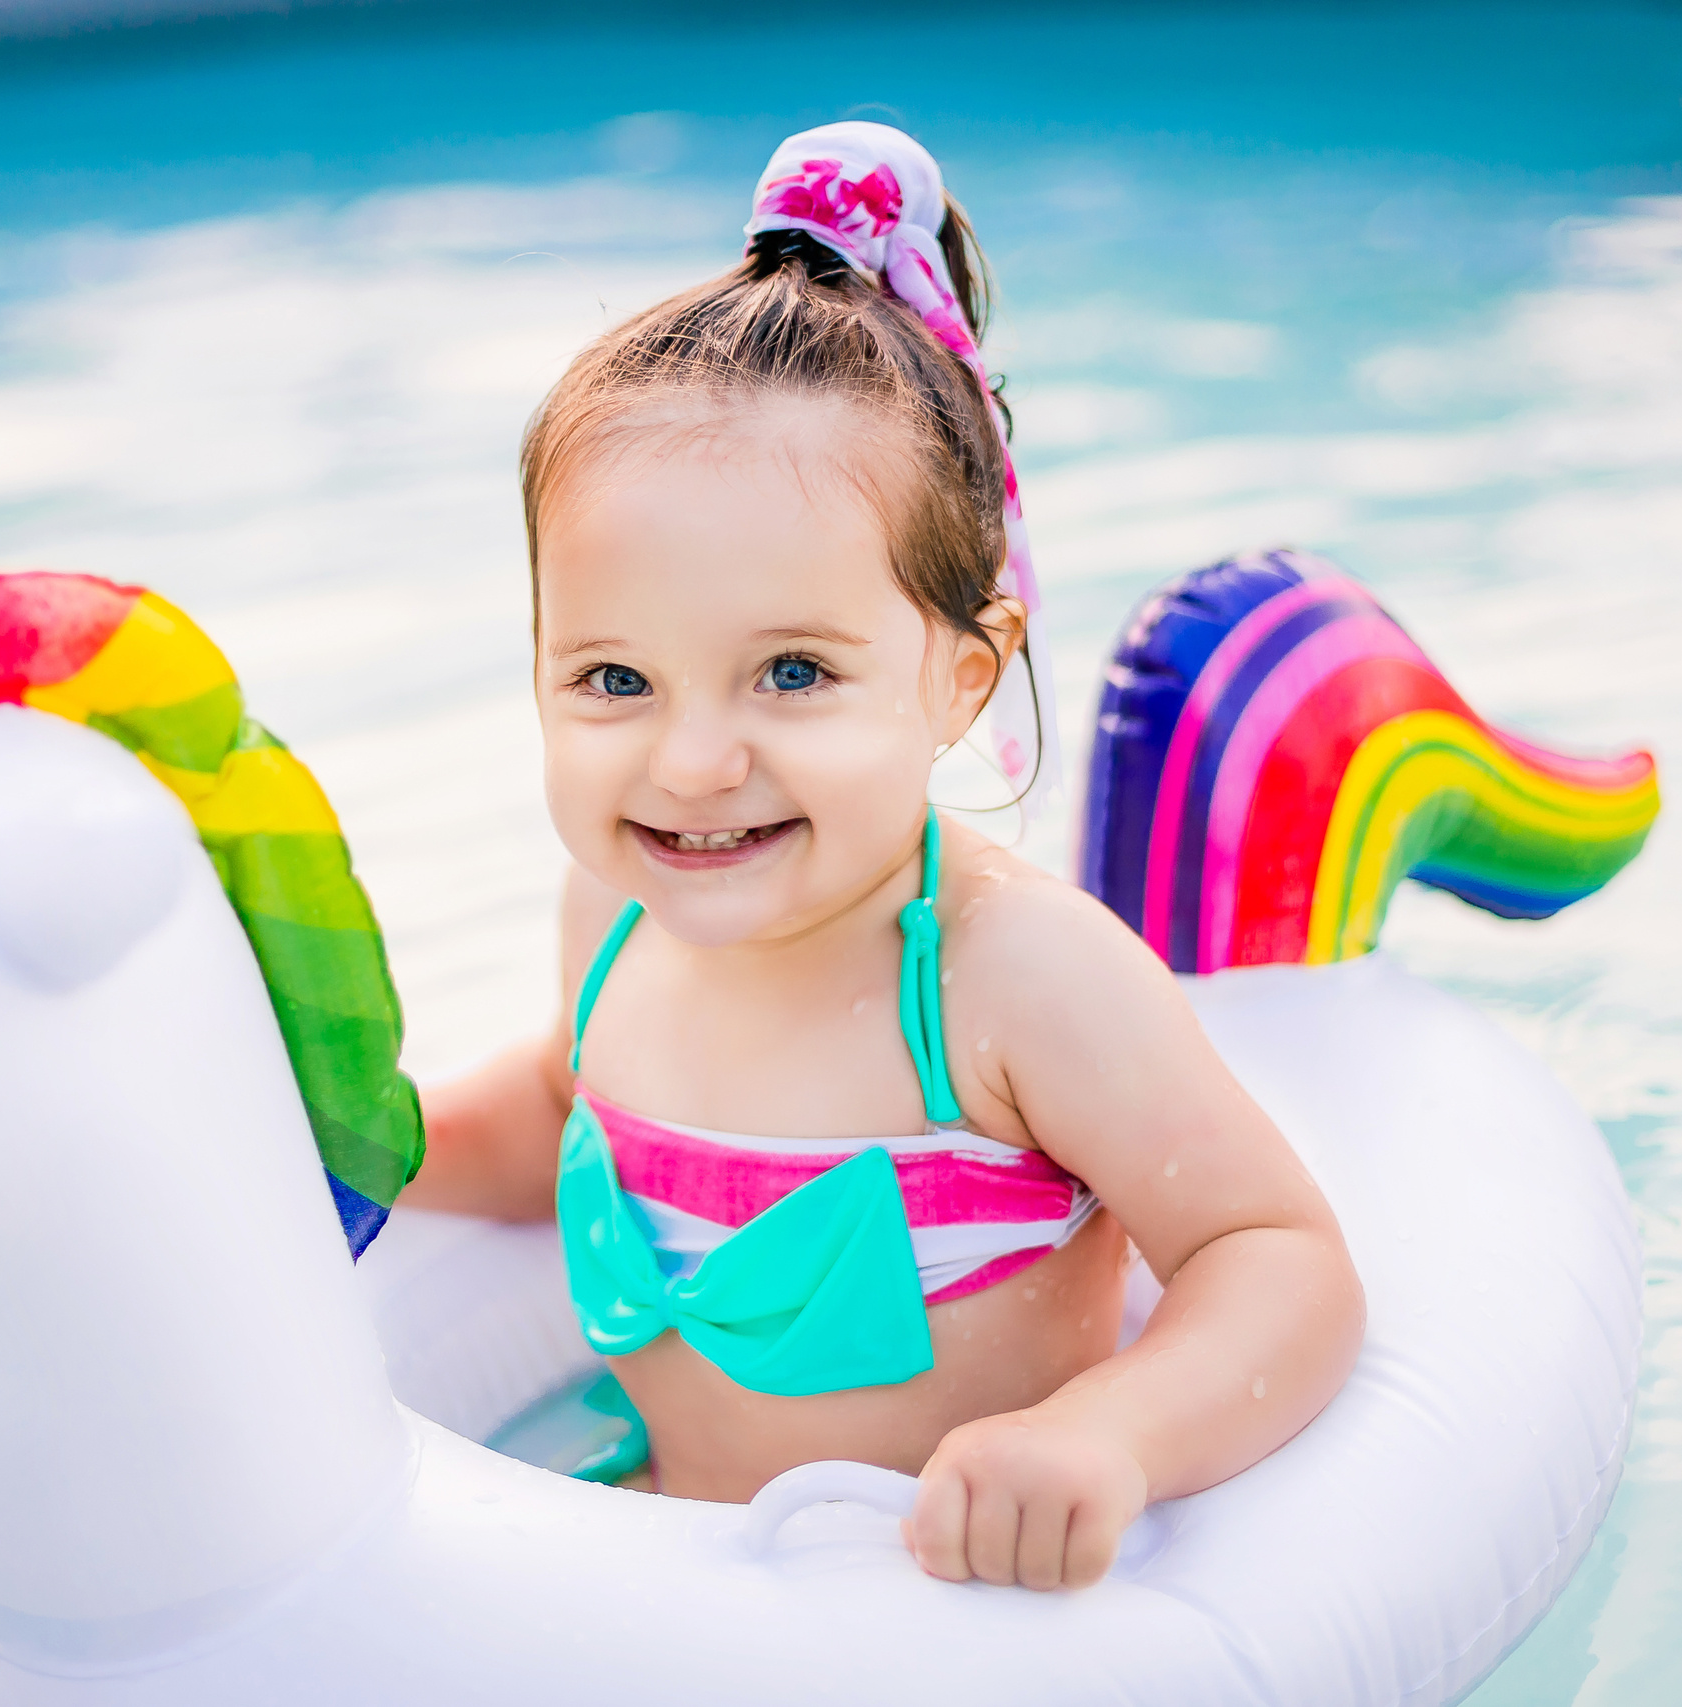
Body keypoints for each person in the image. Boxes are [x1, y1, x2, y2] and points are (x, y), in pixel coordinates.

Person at [403, 122, 1362, 1593]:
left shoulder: (1011, 983)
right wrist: (371, 1141)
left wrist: (1104, 1437)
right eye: (613, 681)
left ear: (962, 680)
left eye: (791, 674)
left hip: (943, 1634)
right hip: (650, 1566)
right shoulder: (612, 909)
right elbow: (558, 1108)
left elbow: (1275, 1258)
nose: (691, 762)